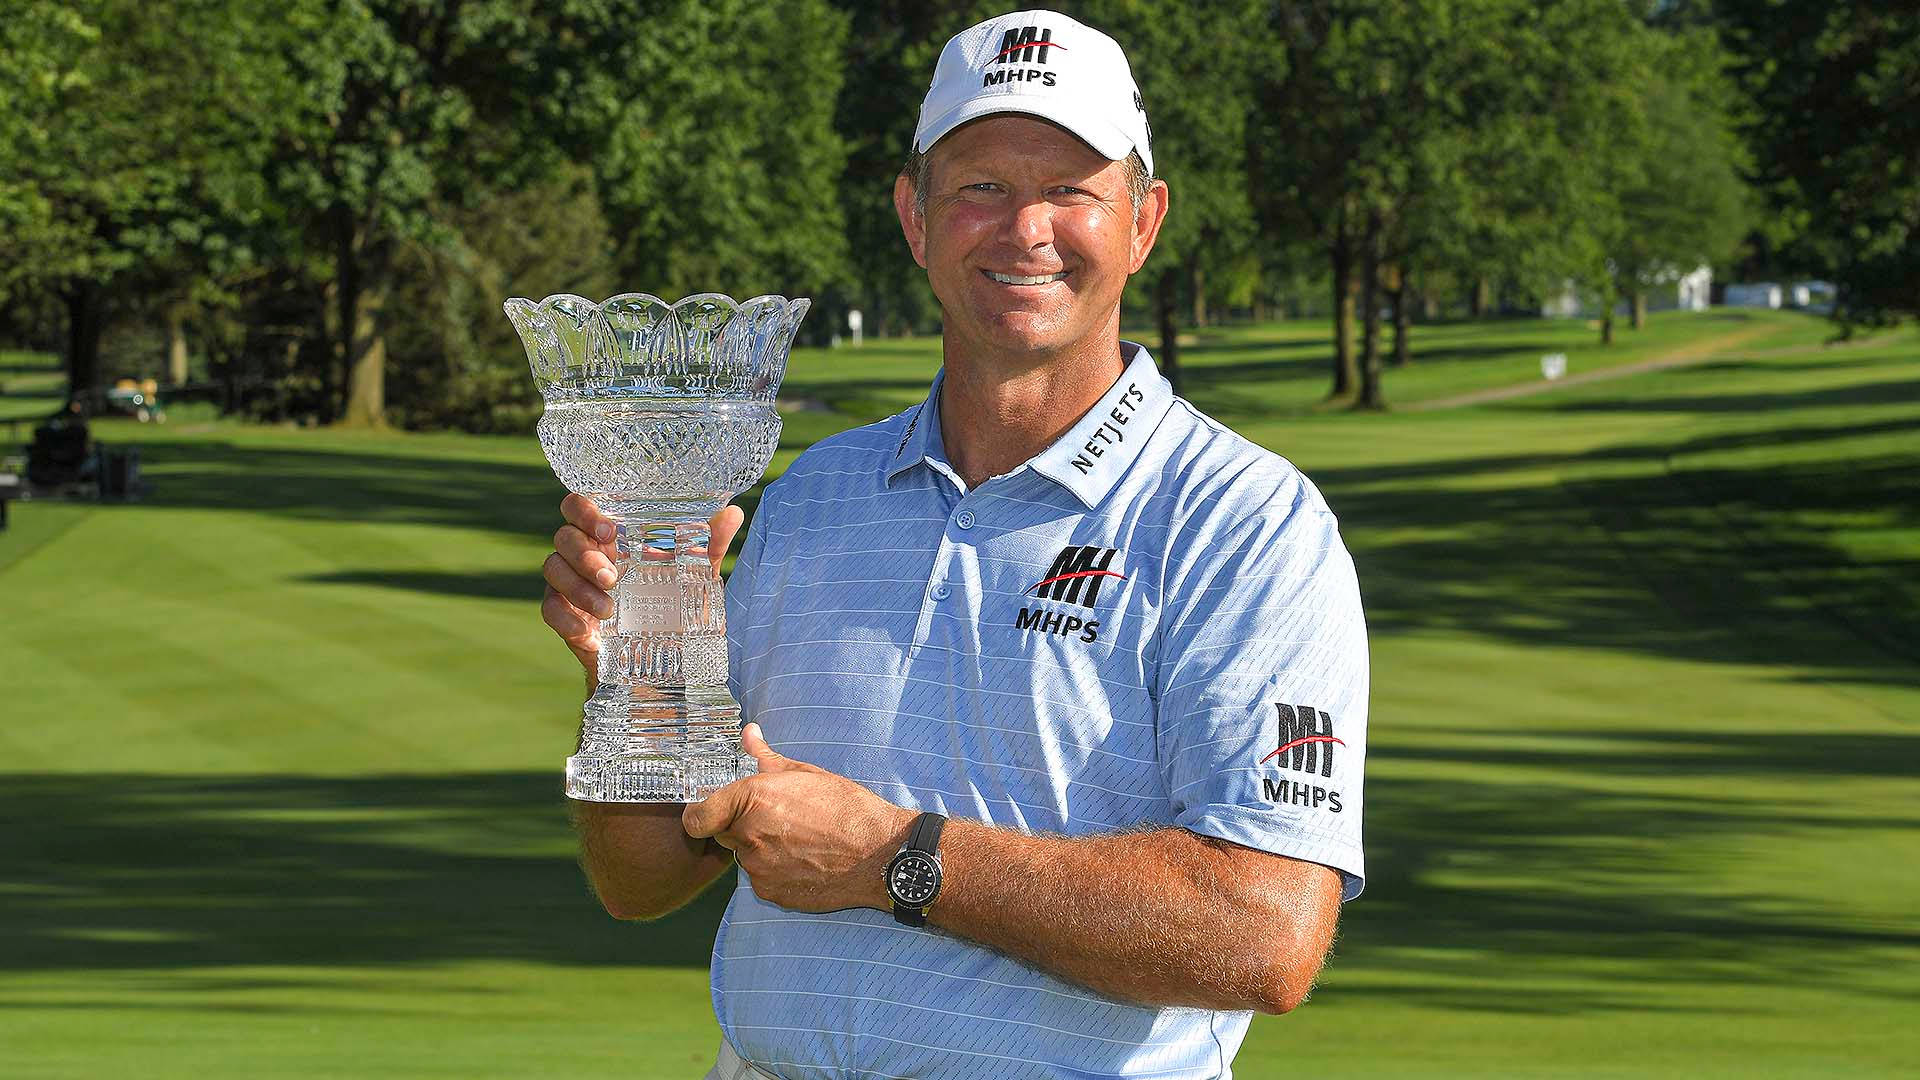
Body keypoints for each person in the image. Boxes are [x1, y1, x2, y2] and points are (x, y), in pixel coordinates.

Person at [540, 11, 1368, 1078]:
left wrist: (894, 859)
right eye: (980, 185)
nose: (1026, 227)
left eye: (1072, 190)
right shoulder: (815, 495)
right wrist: (636, 691)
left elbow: (1265, 935)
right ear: (914, 216)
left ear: (1144, 222)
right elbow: (642, 879)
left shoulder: (1246, 525)